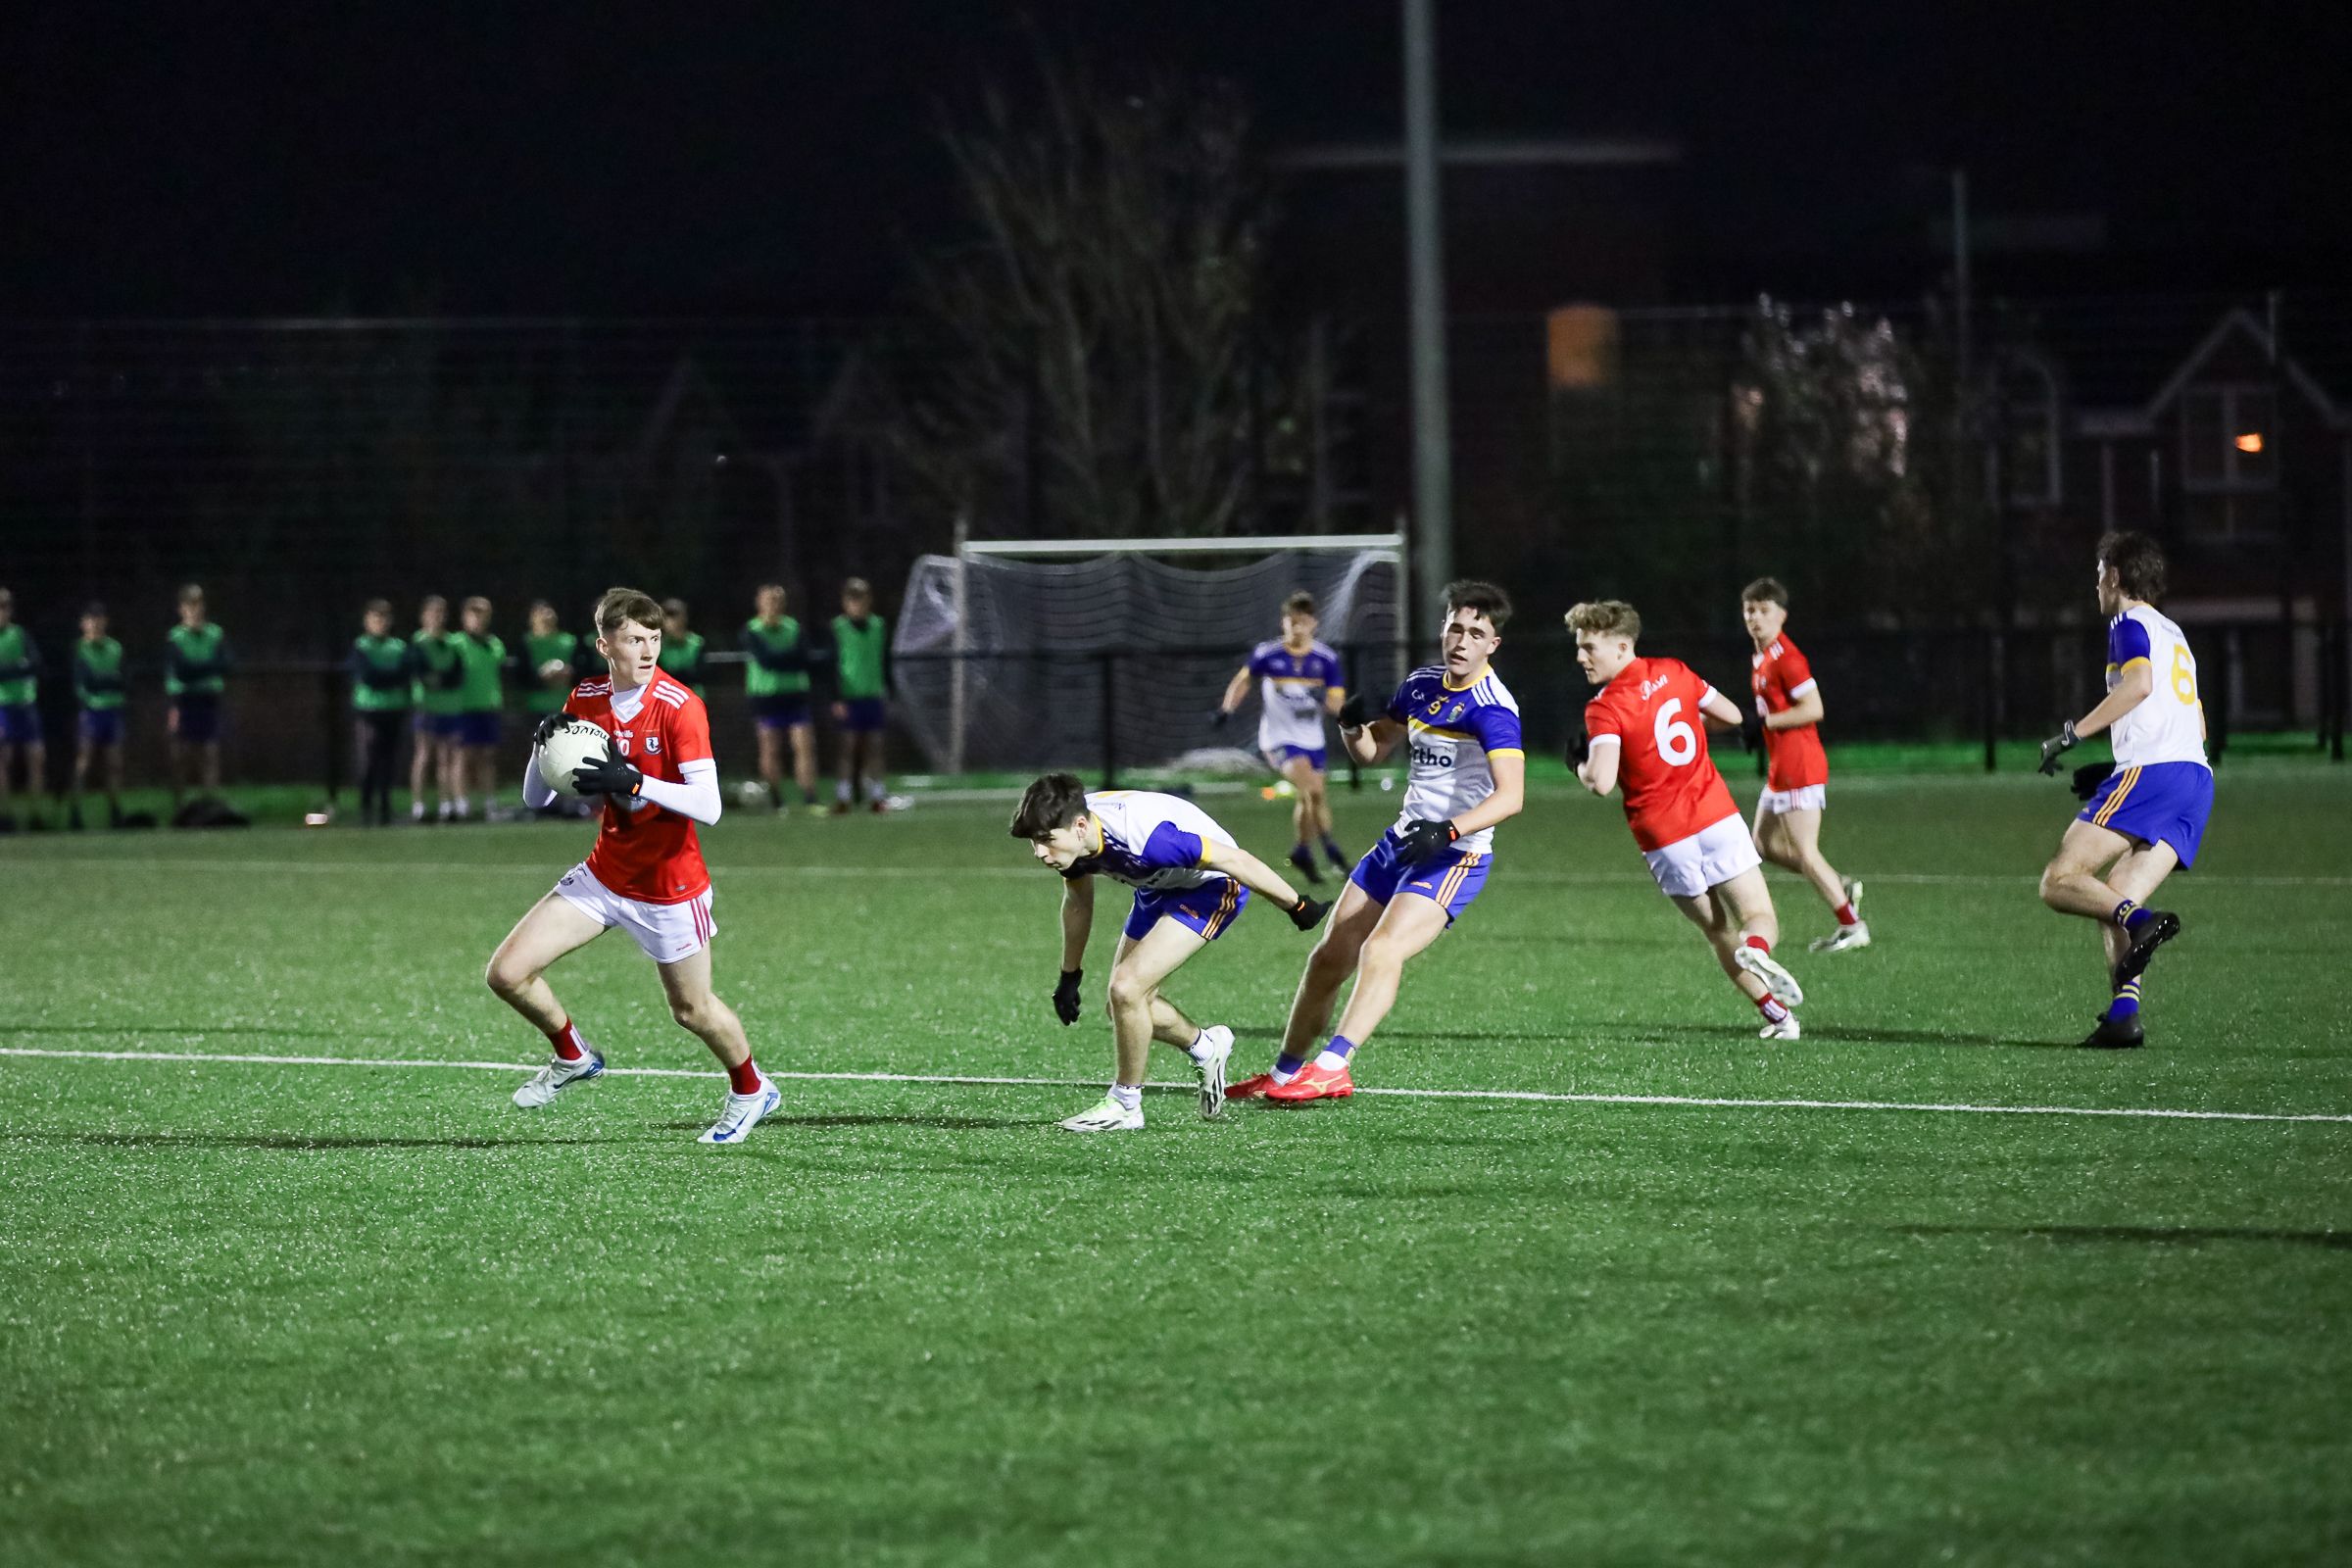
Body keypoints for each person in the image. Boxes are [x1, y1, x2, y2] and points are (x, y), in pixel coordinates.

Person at [493, 586, 778, 1145]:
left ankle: (752, 1089)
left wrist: (638, 781)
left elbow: (711, 806)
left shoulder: (680, 707)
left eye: (654, 639)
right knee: (507, 973)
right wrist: (540, 748)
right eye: (633, 640)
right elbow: (536, 800)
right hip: (604, 875)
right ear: (605, 645)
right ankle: (573, 1056)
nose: (648, 651)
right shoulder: (587, 696)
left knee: (692, 1011)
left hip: (669, 886)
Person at [1228, 580, 1527, 1105]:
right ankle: (1282, 1074)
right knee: (1328, 957)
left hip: (1454, 855)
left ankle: (1334, 1066)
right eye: (1455, 627)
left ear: (1492, 645)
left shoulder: (1493, 708)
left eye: (1475, 633)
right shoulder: (1421, 685)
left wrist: (1451, 829)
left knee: (1382, 949)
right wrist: (1349, 726)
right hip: (1401, 842)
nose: (1461, 640)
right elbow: (1374, 750)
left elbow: (1511, 797)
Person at [1011, 772, 1332, 1132]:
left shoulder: (1150, 840)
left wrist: (1296, 905)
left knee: (1126, 988)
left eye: (1045, 841)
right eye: (1034, 842)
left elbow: (1236, 861)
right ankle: (1206, 1047)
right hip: (1157, 886)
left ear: (1080, 826)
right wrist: (1070, 974)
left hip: (1210, 888)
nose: (1040, 852)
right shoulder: (1075, 840)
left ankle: (1126, 1104)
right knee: (1123, 1005)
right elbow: (1078, 902)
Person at [1567, 599, 1805, 1040]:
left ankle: (1779, 1017)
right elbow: (1733, 716)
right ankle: (1757, 949)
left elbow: (1600, 781)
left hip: (1663, 837)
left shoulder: (1604, 707)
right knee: (1759, 917)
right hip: (1714, 815)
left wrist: (1579, 765)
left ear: (1622, 647)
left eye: (1589, 647)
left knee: (1717, 931)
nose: (1581, 656)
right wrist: (1692, 724)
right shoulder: (1676, 671)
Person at [2034, 531, 2207, 1050]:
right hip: (2195, 781)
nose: (2096, 585)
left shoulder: (2127, 623)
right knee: (2111, 896)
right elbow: (2194, 725)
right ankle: (2124, 1014)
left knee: (2060, 881)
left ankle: (2146, 921)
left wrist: (2072, 733)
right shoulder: (2175, 633)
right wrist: (2114, 767)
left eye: (2098, 574)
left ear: (2113, 575)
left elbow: (2139, 686)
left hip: (2153, 775)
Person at [1740, 578, 1868, 953]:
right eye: (1750, 610)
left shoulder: (1787, 658)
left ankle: (1852, 926)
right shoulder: (1761, 657)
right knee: (1761, 844)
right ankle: (1838, 884)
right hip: (1781, 766)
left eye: (1764, 611)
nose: (1756, 618)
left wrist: (1764, 723)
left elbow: (1814, 708)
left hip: (1800, 764)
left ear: (1782, 615)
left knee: (1805, 852)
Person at [1213, 590, 1350, 883]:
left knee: (1312, 796)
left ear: (1313, 623)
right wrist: (1226, 710)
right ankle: (1332, 852)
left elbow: (1338, 705)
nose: (1295, 628)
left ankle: (1302, 850)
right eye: (1291, 621)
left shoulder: (1325, 659)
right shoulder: (1268, 654)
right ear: (1283, 622)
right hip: (1278, 740)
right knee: (1312, 789)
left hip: (1312, 740)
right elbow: (1243, 681)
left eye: (1302, 622)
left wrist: (1321, 696)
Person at [742, 583, 820, 814]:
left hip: (794, 695)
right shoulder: (751, 630)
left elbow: (803, 657)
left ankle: (809, 797)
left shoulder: (794, 628)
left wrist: (784, 660)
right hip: (765, 697)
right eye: (769, 601)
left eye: (777, 601)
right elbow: (767, 661)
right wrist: (788, 659)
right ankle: (776, 799)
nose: (773, 606)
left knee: (804, 745)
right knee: (770, 748)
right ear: (759, 603)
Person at [163, 583, 230, 809]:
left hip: (208, 699)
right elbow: (182, 670)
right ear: (182, 609)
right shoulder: (175, 637)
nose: (195, 610)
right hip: (182, 701)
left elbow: (225, 664)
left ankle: (211, 804)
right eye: (190, 605)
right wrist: (206, 668)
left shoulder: (215, 633)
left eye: (198, 604)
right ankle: (179, 806)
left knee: (210, 753)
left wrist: (199, 669)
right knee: (180, 755)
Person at [347, 599, 412, 827]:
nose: (380, 623)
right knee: (369, 761)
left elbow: (405, 673)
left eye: (383, 619)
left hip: (394, 709)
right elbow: (367, 676)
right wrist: (389, 677)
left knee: (389, 761)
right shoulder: (361, 646)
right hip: (369, 710)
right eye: (375, 619)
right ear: (367, 621)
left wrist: (385, 677)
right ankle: (366, 807)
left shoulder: (399, 647)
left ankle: (385, 808)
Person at [829, 577, 890, 813]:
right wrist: (836, 697)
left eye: (861, 600)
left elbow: (885, 661)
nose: (858, 606)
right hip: (849, 697)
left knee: (875, 746)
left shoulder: (879, 626)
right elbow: (833, 664)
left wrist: (887, 689)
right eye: (852, 601)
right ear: (845, 603)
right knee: (848, 747)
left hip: (872, 695)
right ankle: (843, 796)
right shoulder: (838, 628)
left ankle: (877, 795)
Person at [448, 596, 506, 820]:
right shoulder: (456, 643)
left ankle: (489, 803)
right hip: (463, 707)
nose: (478, 620)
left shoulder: (495, 644)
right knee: (462, 756)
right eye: (473, 615)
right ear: (464, 617)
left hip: (488, 706)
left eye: (482, 615)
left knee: (487, 757)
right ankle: (462, 804)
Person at [70, 602, 126, 830]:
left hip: (113, 711)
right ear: (84, 624)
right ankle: (75, 811)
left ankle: (115, 810)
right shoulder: (79, 650)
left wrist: (102, 681)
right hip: (91, 712)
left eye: (99, 619)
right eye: (91, 620)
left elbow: (123, 680)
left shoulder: (115, 648)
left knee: (114, 763)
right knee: (85, 762)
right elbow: (84, 684)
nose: (95, 624)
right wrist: (106, 681)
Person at [408, 597, 464, 822]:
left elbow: (456, 675)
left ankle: (445, 803)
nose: (437, 618)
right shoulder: (418, 642)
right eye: (432, 613)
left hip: (449, 706)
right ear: (424, 617)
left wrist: (439, 678)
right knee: (423, 755)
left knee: (446, 757)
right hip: (426, 707)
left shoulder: (452, 643)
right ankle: (418, 805)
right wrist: (438, 678)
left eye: (441, 613)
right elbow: (422, 673)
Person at [0, 587, 51, 831]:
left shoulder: (20, 635)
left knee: (36, 760)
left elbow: (36, 665)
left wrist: (10, 669)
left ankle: (36, 815)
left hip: (26, 707)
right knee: (4, 761)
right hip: (2, 708)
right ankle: (5, 815)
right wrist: (17, 667)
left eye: (4, 607)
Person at [658, 597, 707, 696]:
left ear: (684, 618)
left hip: (693, 697)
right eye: (666, 615)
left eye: (674, 615)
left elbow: (700, 674)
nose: (670, 620)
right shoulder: (657, 645)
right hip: (666, 698)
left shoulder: (697, 643)